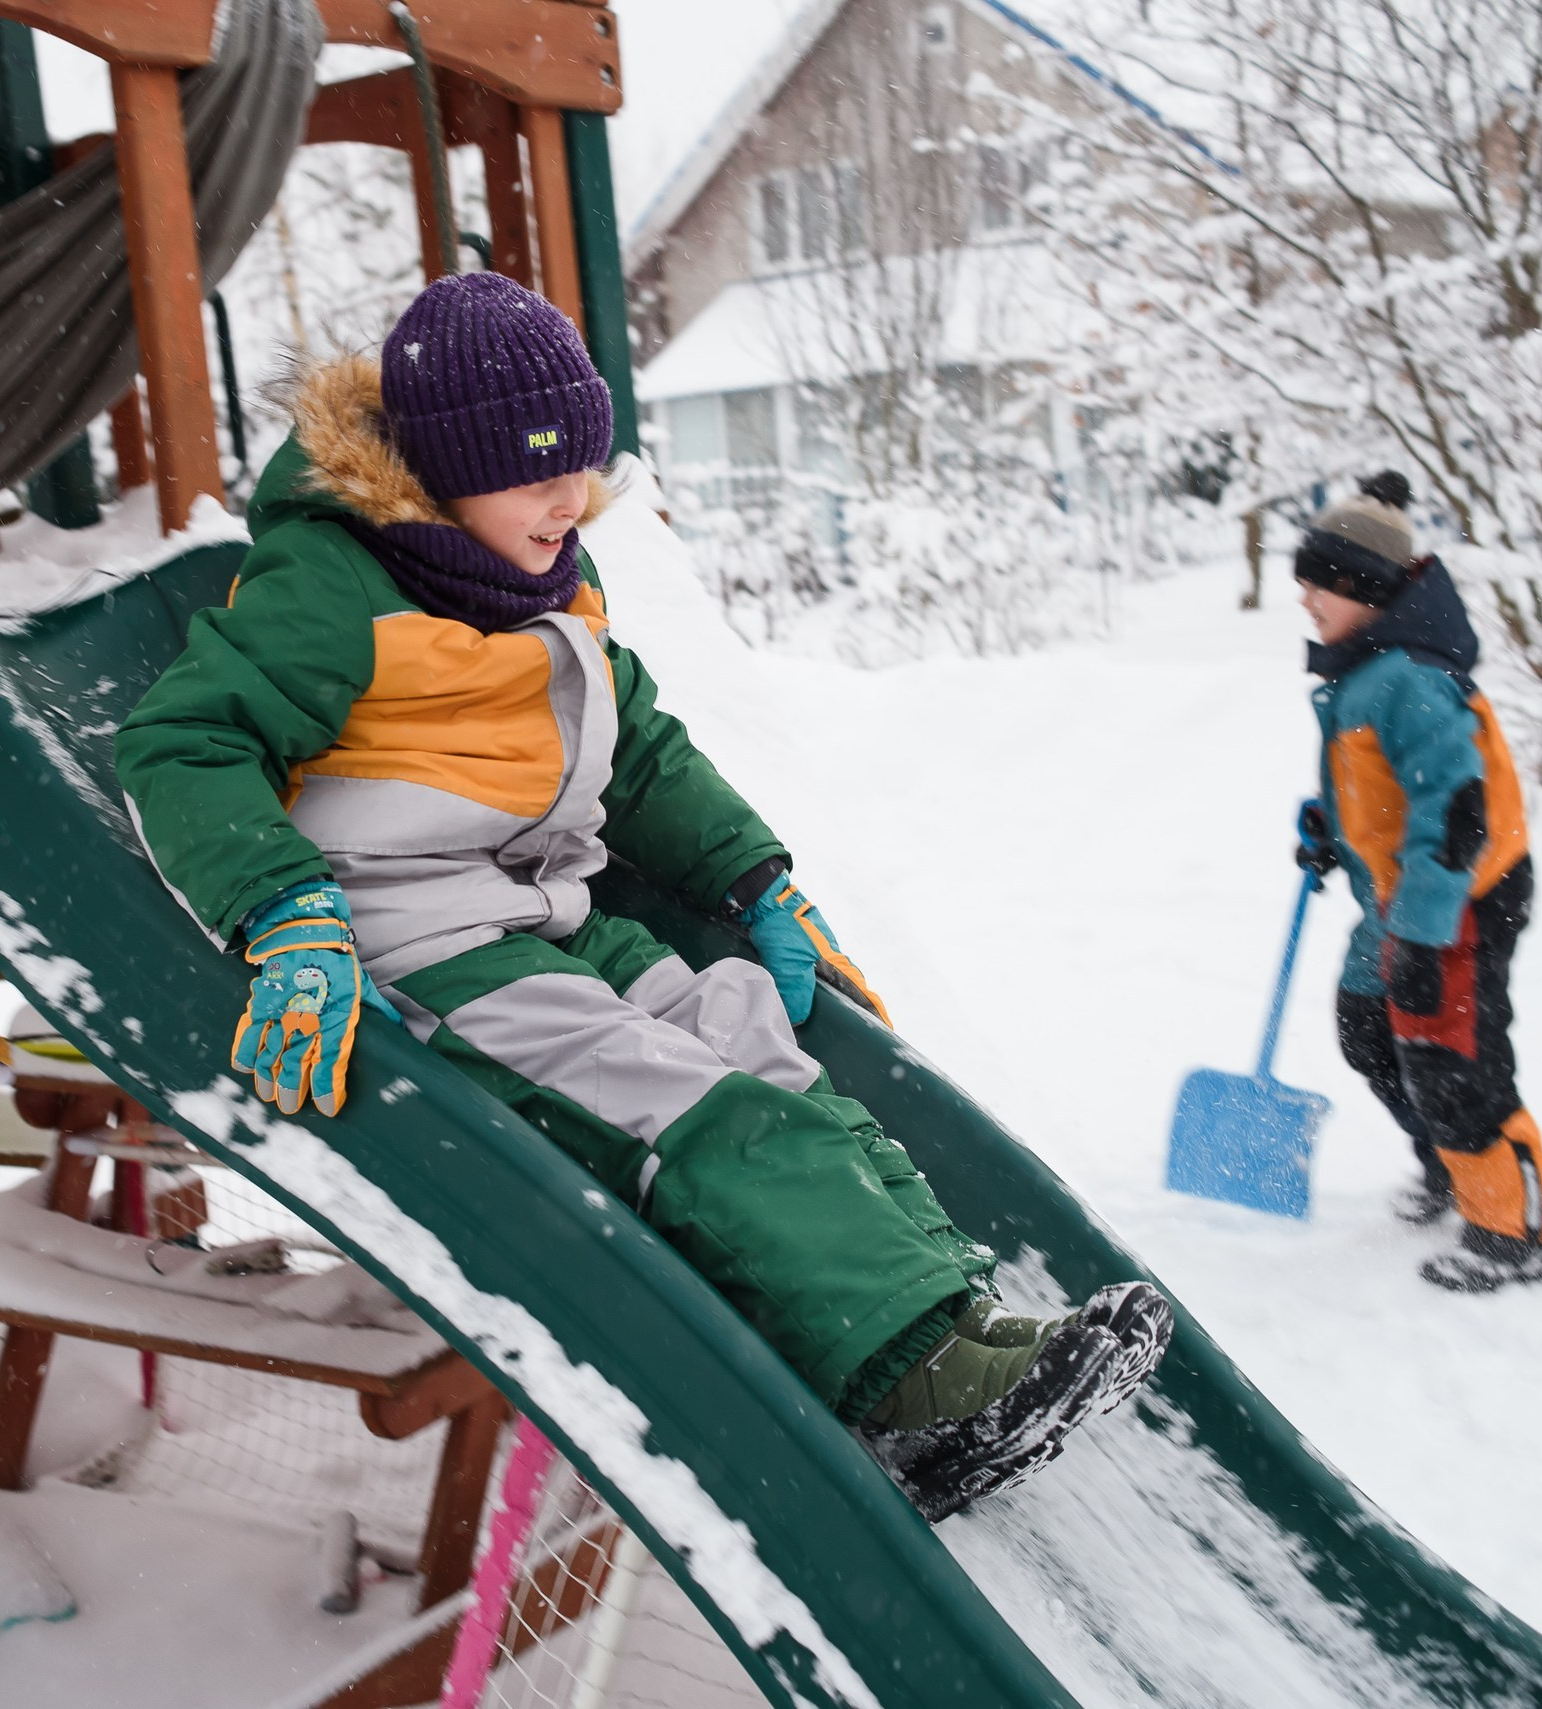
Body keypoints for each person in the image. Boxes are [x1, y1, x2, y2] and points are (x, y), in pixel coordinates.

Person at [115, 273, 1170, 1518]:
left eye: (581, 465)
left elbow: (643, 748)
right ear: (444, 470)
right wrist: (283, 910)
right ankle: (906, 1377)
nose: (570, 498)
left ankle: (940, 1311)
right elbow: (183, 742)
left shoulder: (546, 577)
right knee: (686, 1103)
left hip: (552, 912)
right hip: (421, 941)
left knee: (750, 1036)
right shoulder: (333, 588)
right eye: (535, 471)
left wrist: (756, 879)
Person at [1292, 472, 1542, 1291]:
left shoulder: (1408, 677)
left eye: (1319, 583)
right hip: (1401, 893)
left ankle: (1511, 1230)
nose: (1304, 598)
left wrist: (1423, 930)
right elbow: (1383, 786)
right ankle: (1447, 1159)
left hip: (1456, 898)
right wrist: (1332, 829)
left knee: (1452, 1056)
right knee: (1368, 1026)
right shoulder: (1368, 668)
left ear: (1365, 588)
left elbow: (1455, 807)